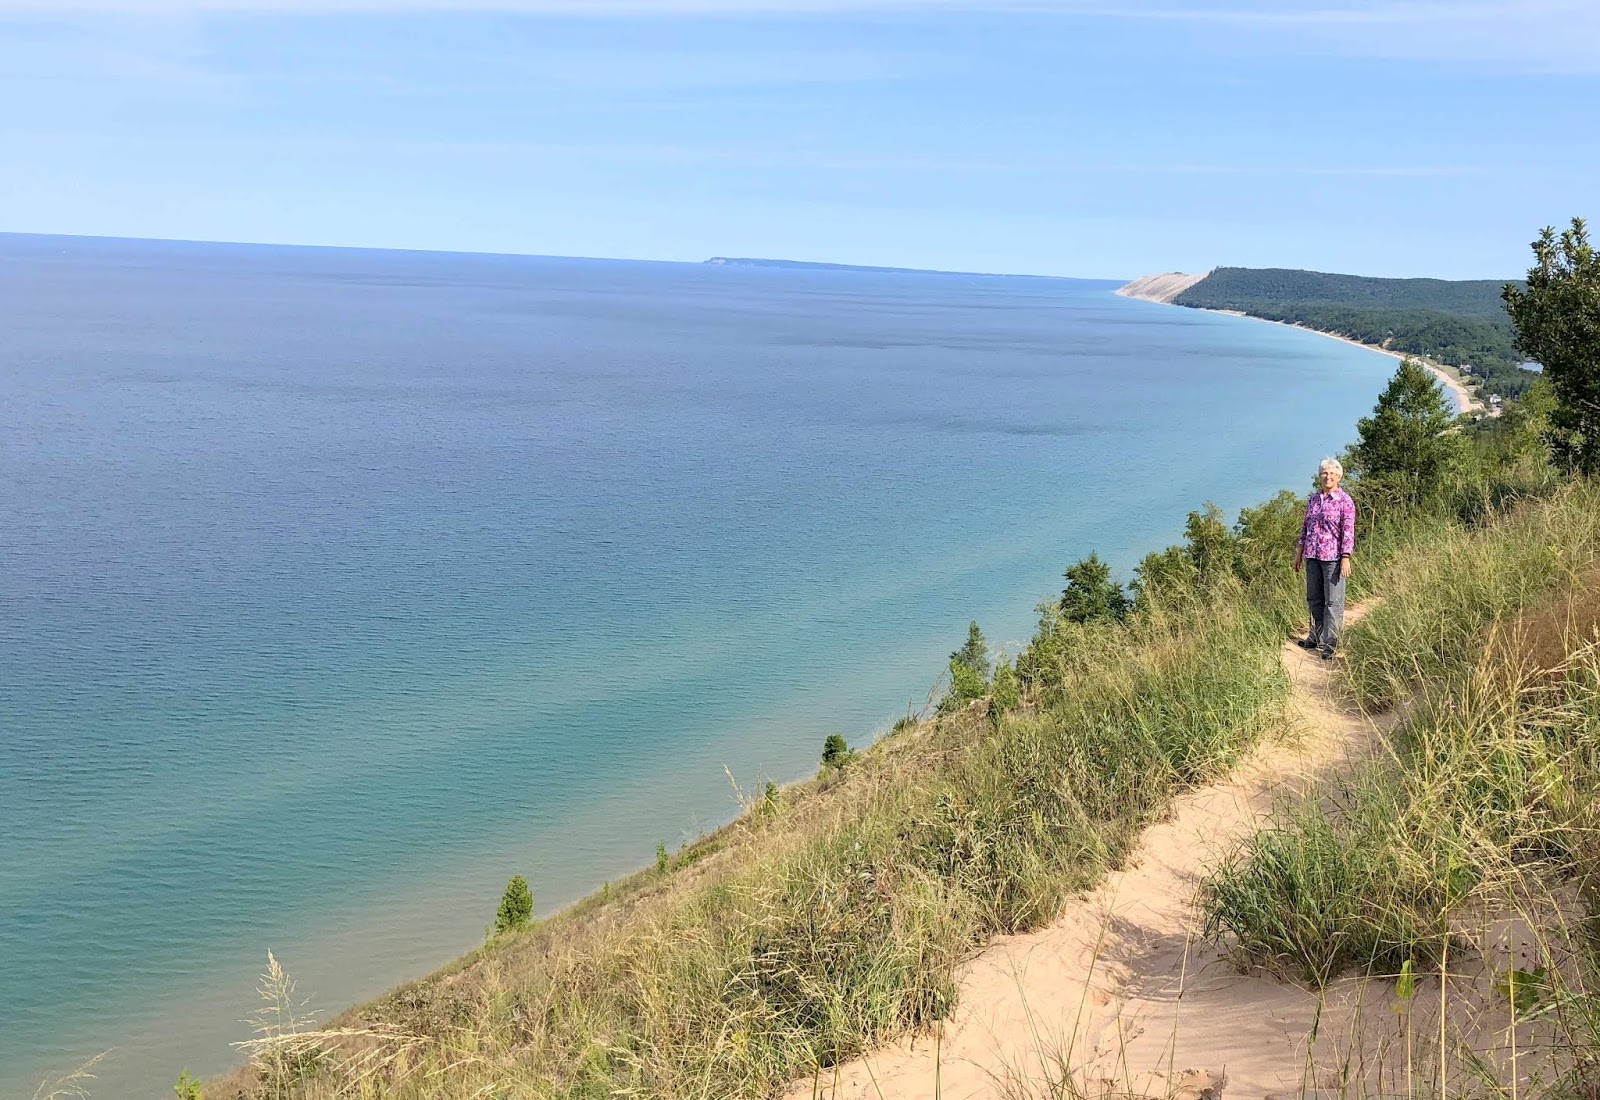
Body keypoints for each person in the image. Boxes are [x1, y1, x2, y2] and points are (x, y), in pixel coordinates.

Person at [1293, 457, 1355, 660]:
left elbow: (1348, 531)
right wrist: (1299, 553)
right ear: (1320, 476)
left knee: (1333, 602)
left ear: (1339, 476)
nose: (1327, 477)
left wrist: (1346, 557)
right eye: (1324, 473)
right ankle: (1316, 636)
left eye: (1331, 473)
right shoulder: (1313, 500)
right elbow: (1305, 528)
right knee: (1314, 599)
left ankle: (1331, 643)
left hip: (1333, 558)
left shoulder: (1345, 501)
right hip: (1312, 555)